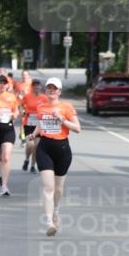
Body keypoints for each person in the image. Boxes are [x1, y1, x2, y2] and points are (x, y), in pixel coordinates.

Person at [31, 77, 81, 236]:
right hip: (44, 148)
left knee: (58, 189)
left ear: (59, 91)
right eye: (49, 88)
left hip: (62, 150)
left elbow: (77, 128)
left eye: (55, 88)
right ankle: (49, 222)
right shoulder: (41, 107)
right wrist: (33, 135)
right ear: (46, 90)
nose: (51, 90)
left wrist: (62, 120)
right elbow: (40, 125)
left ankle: (56, 211)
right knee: (48, 187)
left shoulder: (66, 106)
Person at [0, 74, 20, 196]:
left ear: (7, 85)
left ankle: (4, 186)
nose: (2, 85)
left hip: (8, 129)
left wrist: (14, 114)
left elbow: (16, 110)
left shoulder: (11, 97)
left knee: (5, 157)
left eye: (4, 83)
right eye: (0, 82)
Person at [21, 78, 44, 172]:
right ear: (32, 87)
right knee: (30, 144)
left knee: (36, 146)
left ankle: (32, 165)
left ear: (40, 87)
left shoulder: (44, 98)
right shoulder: (27, 96)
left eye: (38, 85)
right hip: (29, 123)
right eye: (34, 85)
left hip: (39, 125)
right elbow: (21, 106)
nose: (36, 87)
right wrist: (22, 111)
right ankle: (27, 159)